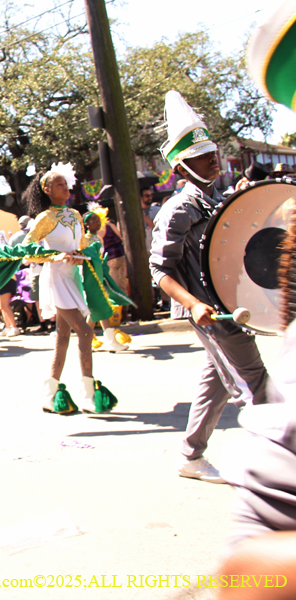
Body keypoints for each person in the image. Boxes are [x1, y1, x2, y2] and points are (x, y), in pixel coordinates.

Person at [150, 91, 271, 484]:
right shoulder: (178, 210)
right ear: (182, 168)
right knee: (257, 389)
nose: (212, 159)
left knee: (217, 380)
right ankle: (277, 474)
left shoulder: (219, 199)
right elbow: (159, 270)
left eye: (212, 152)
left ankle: (190, 455)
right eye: (202, 157)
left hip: (232, 304)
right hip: (213, 314)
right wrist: (194, 305)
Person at [23, 162, 115, 414]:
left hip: (73, 276)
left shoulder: (75, 214)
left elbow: (81, 242)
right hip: (56, 279)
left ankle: (50, 393)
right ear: (47, 189)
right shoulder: (44, 218)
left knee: (63, 337)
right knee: (85, 332)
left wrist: (84, 251)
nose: (66, 188)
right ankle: (88, 394)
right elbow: (28, 252)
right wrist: (57, 256)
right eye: (60, 185)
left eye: (66, 184)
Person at [83, 210, 129, 352]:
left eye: (98, 220)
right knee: (100, 308)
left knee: (97, 309)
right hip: (91, 277)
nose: (97, 223)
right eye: (93, 220)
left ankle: (88, 341)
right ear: (86, 224)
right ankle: (108, 341)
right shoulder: (84, 240)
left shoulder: (99, 239)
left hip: (100, 275)